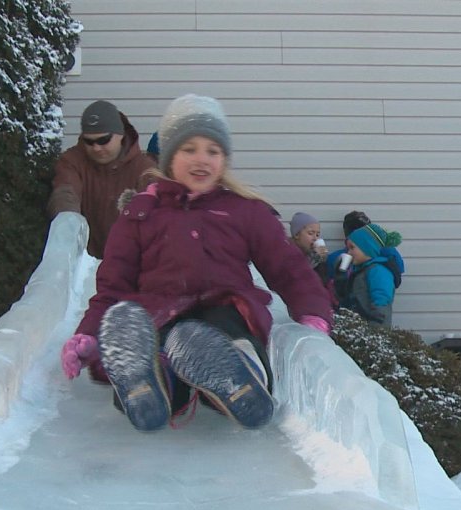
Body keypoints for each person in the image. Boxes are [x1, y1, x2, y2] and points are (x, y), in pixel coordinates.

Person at [59, 94, 333, 432]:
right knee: (144, 332)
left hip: (224, 307)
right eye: (189, 149)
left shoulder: (244, 211)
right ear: (169, 156)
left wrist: (313, 310)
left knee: (227, 334)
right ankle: (144, 386)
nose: (201, 159)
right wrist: (88, 335)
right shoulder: (141, 213)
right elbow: (113, 284)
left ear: (224, 160)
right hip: (158, 313)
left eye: (212, 151)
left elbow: (287, 265)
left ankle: (241, 375)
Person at [47, 100, 156, 258]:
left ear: (120, 135)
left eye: (103, 140)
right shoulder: (72, 161)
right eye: (89, 141)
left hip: (130, 265)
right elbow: (65, 193)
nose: (96, 148)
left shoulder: (144, 169)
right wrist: (68, 224)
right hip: (84, 263)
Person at [336, 222, 403, 327]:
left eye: (352, 248)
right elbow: (345, 296)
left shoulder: (378, 271)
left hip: (372, 328)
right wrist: (340, 275)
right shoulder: (359, 270)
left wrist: (377, 330)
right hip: (357, 327)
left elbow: (382, 300)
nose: (349, 252)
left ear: (367, 248)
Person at [288, 211, 329, 283]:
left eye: (317, 235)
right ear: (296, 234)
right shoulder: (287, 253)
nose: (315, 238)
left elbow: (322, 285)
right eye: (311, 233)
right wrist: (314, 259)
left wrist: (321, 262)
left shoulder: (311, 254)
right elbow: (295, 279)